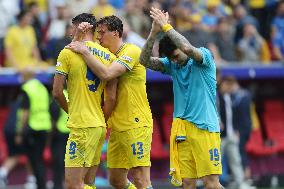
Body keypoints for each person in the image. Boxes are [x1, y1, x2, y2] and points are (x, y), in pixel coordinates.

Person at [139, 7, 223, 189]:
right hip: (182, 129)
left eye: (175, 56)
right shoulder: (173, 65)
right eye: (171, 58)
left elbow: (186, 47)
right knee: (186, 184)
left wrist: (166, 27)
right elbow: (144, 61)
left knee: (211, 184)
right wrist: (154, 33)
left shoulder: (204, 58)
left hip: (205, 128)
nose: (174, 61)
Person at [66, 15, 153, 189]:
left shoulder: (131, 51)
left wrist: (84, 51)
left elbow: (106, 74)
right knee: (116, 180)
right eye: (97, 33)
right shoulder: (104, 55)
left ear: (116, 33)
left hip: (135, 123)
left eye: (102, 33)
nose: (99, 37)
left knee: (140, 179)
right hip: (117, 125)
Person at [52, 13, 118, 189]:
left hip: (81, 125)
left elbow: (57, 92)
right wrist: (100, 118)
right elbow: (111, 97)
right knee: (88, 183)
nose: (71, 31)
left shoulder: (68, 52)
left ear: (80, 27)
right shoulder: (108, 56)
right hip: (98, 126)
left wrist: (72, 111)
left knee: (74, 185)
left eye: (73, 27)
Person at [16, 68, 52, 189]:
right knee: (39, 158)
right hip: (44, 126)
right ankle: (41, 184)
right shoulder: (42, 87)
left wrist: (20, 131)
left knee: (34, 160)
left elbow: (25, 112)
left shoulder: (27, 89)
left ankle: (40, 185)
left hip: (33, 127)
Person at [50, 89, 69, 189]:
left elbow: (54, 115)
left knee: (58, 161)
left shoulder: (57, 95)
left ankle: (58, 185)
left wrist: (50, 136)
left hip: (59, 132)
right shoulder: (69, 94)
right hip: (71, 130)